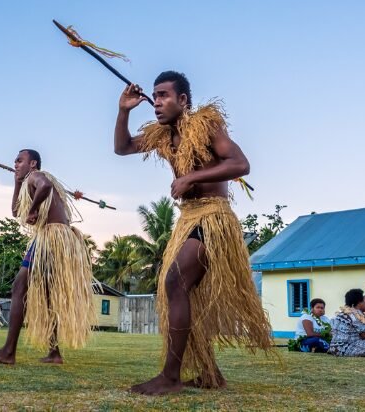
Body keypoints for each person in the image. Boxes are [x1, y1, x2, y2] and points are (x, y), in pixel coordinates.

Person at [111, 72, 273, 394]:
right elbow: (123, 147)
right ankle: (210, 373)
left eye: (164, 95)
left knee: (175, 281)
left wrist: (190, 179)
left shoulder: (206, 125)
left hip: (213, 217)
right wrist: (124, 110)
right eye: (154, 96)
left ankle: (170, 377)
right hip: (188, 218)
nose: (157, 102)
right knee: (189, 294)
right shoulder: (161, 136)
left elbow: (241, 164)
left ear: (182, 100)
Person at [0, 149, 94, 365]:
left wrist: (33, 209)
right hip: (57, 239)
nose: (15, 163)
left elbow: (46, 186)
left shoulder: (37, 176)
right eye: (14, 161)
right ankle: (54, 352)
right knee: (47, 294)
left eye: (19, 160)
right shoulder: (26, 182)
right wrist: (16, 183)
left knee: (19, 286)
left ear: (32, 164)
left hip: (51, 237)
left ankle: (8, 351)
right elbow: (15, 212)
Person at [328, 289, 365, 357]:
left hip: (334, 348)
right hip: (345, 348)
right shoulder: (356, 315)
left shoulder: (342, 313)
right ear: (359, 302)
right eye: (364, 302)